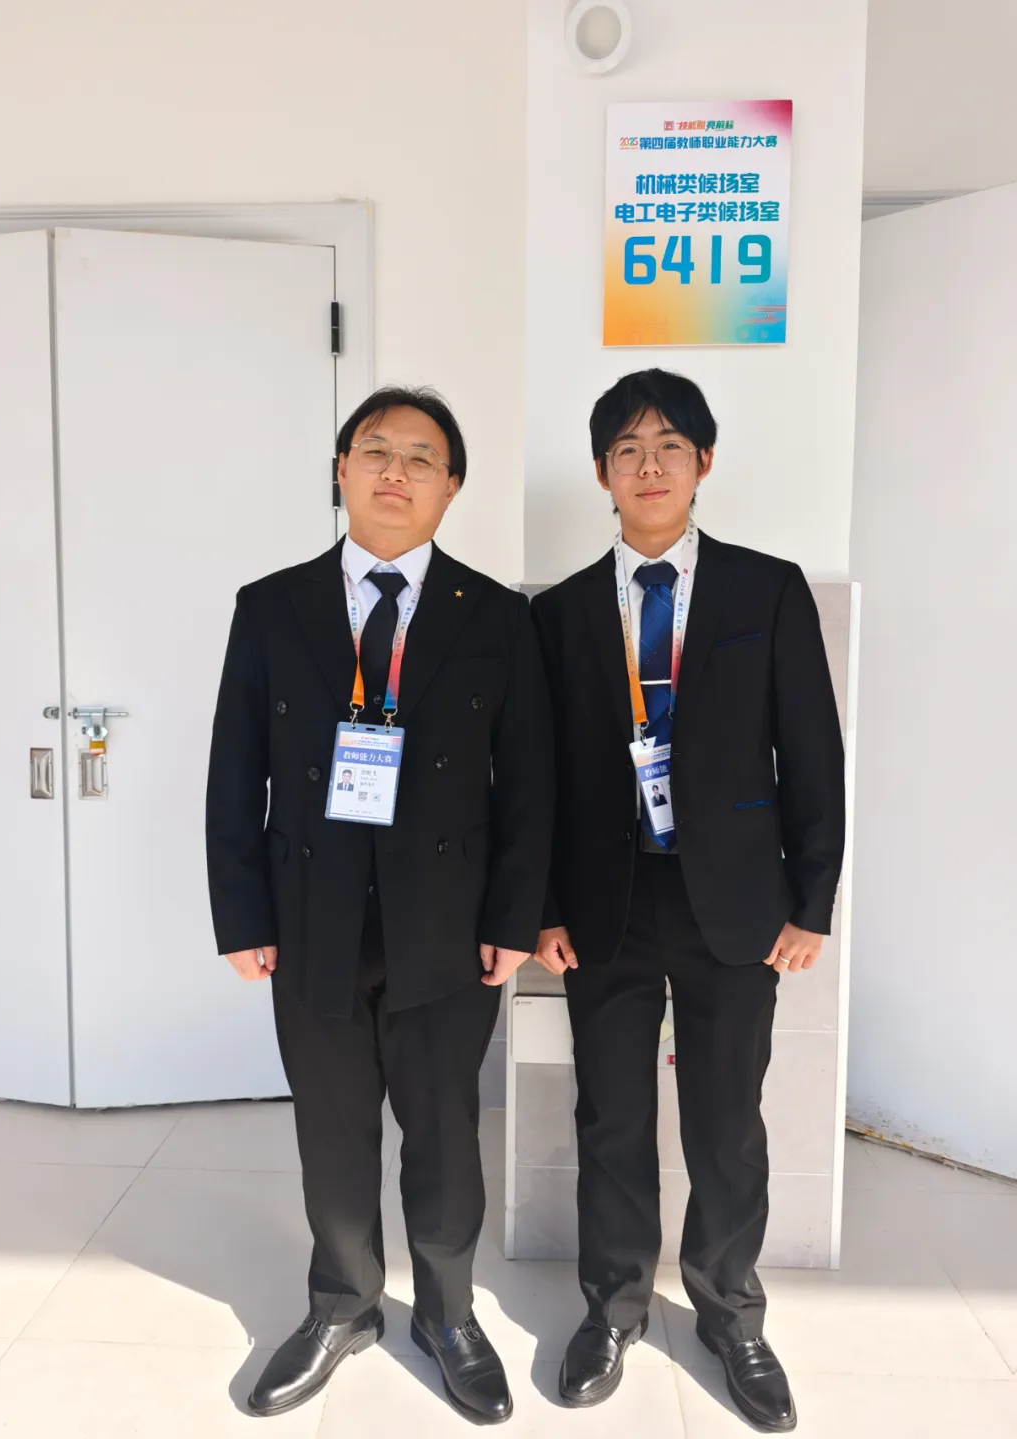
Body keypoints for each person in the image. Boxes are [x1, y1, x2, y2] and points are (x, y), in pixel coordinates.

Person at [207, 386, 553, 1424]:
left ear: (451, 486)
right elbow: (235, 772)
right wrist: (242, 915)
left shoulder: (497, 616)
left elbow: (529, 784)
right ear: (342, 470)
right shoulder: (271, 606)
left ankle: (448, 1312)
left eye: (420, 457)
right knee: (333, 1130)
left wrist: (512, 919)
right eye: (375, 451)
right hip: (309, 917)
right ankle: (342, 1304)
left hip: (448, 926)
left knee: (443, 1131)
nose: (395, 471)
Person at [531, 368, 844, 1434]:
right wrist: (542, 906)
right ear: (602, 474)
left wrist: (812, 900)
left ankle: (729, 1311)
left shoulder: (768, 590)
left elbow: (812, 754)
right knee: (611, 1115)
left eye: (670, 444)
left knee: (726, 1120)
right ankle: (613, 1306)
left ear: (704, 461)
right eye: (627, 448)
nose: (649, 464)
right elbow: (539, 778)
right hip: (604, 904)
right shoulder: (560, 612)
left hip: (739, 903)